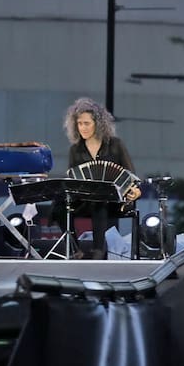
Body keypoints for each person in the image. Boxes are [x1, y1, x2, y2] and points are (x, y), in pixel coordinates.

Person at [56, 97, 141, 259]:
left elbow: (131, 176)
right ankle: (75, 249)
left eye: (87, 123)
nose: (83, 128)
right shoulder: (75, 150)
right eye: (79, 124)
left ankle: (98, 250)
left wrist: (136, 192)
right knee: (59, 205)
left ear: (98, 123)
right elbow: (72, 179)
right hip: (85, 200)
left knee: (99, 199)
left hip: (114, 202)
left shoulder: (115, 145)